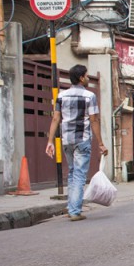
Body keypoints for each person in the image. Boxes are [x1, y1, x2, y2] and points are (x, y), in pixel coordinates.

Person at [46, 64, 108, 221]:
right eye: (86, 75)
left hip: (66, 140)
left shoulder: (61, 96)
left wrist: (50, 141)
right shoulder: (90, 96)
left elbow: (55, 118)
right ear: (81, 78)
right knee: (79, 174)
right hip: (82, 139)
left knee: (72, 173)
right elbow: (94, 120)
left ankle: (71, 207)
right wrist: (100, 143)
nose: (87, 78)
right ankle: (74, 211)